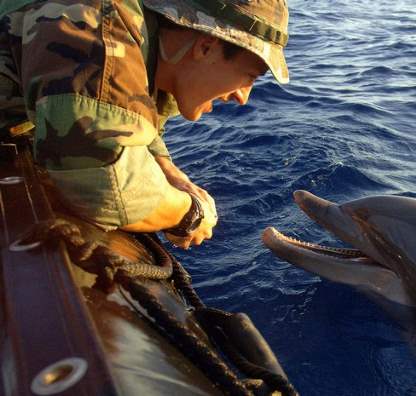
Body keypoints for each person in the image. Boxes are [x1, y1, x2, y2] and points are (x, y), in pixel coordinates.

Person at [0, 0, 289, 249]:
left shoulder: (147, 45)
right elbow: (103, 189)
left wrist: (168, 170)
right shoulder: (100, 24)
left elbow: (130, 113)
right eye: (250, 77)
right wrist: (189, 214)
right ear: (205, 47)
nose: (242, 97)